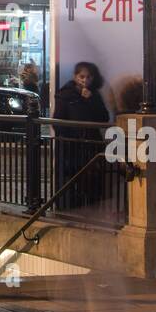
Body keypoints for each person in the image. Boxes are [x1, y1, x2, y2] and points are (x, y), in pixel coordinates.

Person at [53, 62, 110, 208]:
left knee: (92, 180)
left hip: (91, 143)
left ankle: (93, 207)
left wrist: (90, 100)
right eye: (82, 76)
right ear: (75, 77)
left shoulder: (94, 94)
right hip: (72, 145)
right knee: (73, 179)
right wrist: (69, 137)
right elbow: (58, 121)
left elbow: (104, 117)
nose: (85, 80)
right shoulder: (65, 95)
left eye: (88, 77)